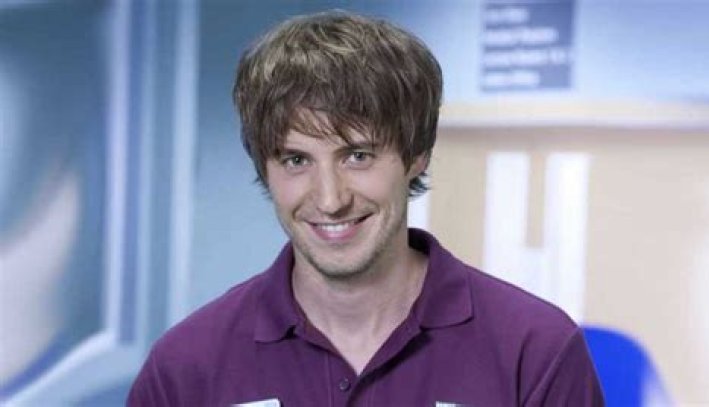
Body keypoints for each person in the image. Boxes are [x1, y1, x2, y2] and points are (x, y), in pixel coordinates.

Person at [128, 10, 604, 406]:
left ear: (417, 155)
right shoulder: (186, 367)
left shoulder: (534, 351)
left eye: (357, 156)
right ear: (265, 169)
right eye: (296, 160)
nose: (330, 199)